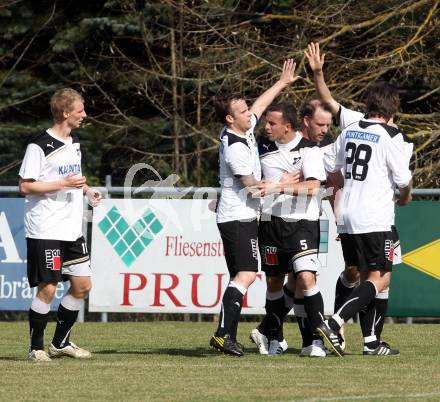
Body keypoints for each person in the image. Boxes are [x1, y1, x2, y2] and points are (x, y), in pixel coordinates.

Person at [305, 42, 413, 352]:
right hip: (374, 215)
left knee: (367, 276)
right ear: (392, 108)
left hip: (347, 214)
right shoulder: (393, 137)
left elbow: (332, 166)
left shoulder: (350, 129)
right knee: (381, 279)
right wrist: (405, 195)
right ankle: (335, 322)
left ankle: (369, 342)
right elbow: (403, 180)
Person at [210, 60, 300, 356]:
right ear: (229, 118)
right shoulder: (234, 146)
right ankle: (224, 335)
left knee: (241, 276)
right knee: (246, 275)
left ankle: (225, 337)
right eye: (243, 112)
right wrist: (281, 182)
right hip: (237, 217)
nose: (251, 114)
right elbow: (251, 186)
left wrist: (282, 82)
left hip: (241, 216)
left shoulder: (242, 129)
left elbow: (260, 104)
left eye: (248, 109)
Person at [19, 88, 102, 362]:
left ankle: (60, 342)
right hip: (46, 227)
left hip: (71, 228)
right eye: (80, 111)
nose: (84, 115)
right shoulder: (39, 145)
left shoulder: (74, 141)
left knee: (82, 285)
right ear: (66, 113)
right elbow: (26, 186)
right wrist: (63, 184)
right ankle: (36, 348)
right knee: (49, 287)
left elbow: (74, 177)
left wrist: (87, 191)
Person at [249, 103, 327, 357]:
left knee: (305, 278)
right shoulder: (261, 150)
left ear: (288, 126)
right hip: (271, 223)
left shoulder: (309, 150)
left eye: (272, 123)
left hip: (303, 222)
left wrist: (277, 188)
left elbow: (313, 187)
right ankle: (275, 338)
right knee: (274, 282)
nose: (267, 127)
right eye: (267, 122)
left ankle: (316, 340)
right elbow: (253, 185)